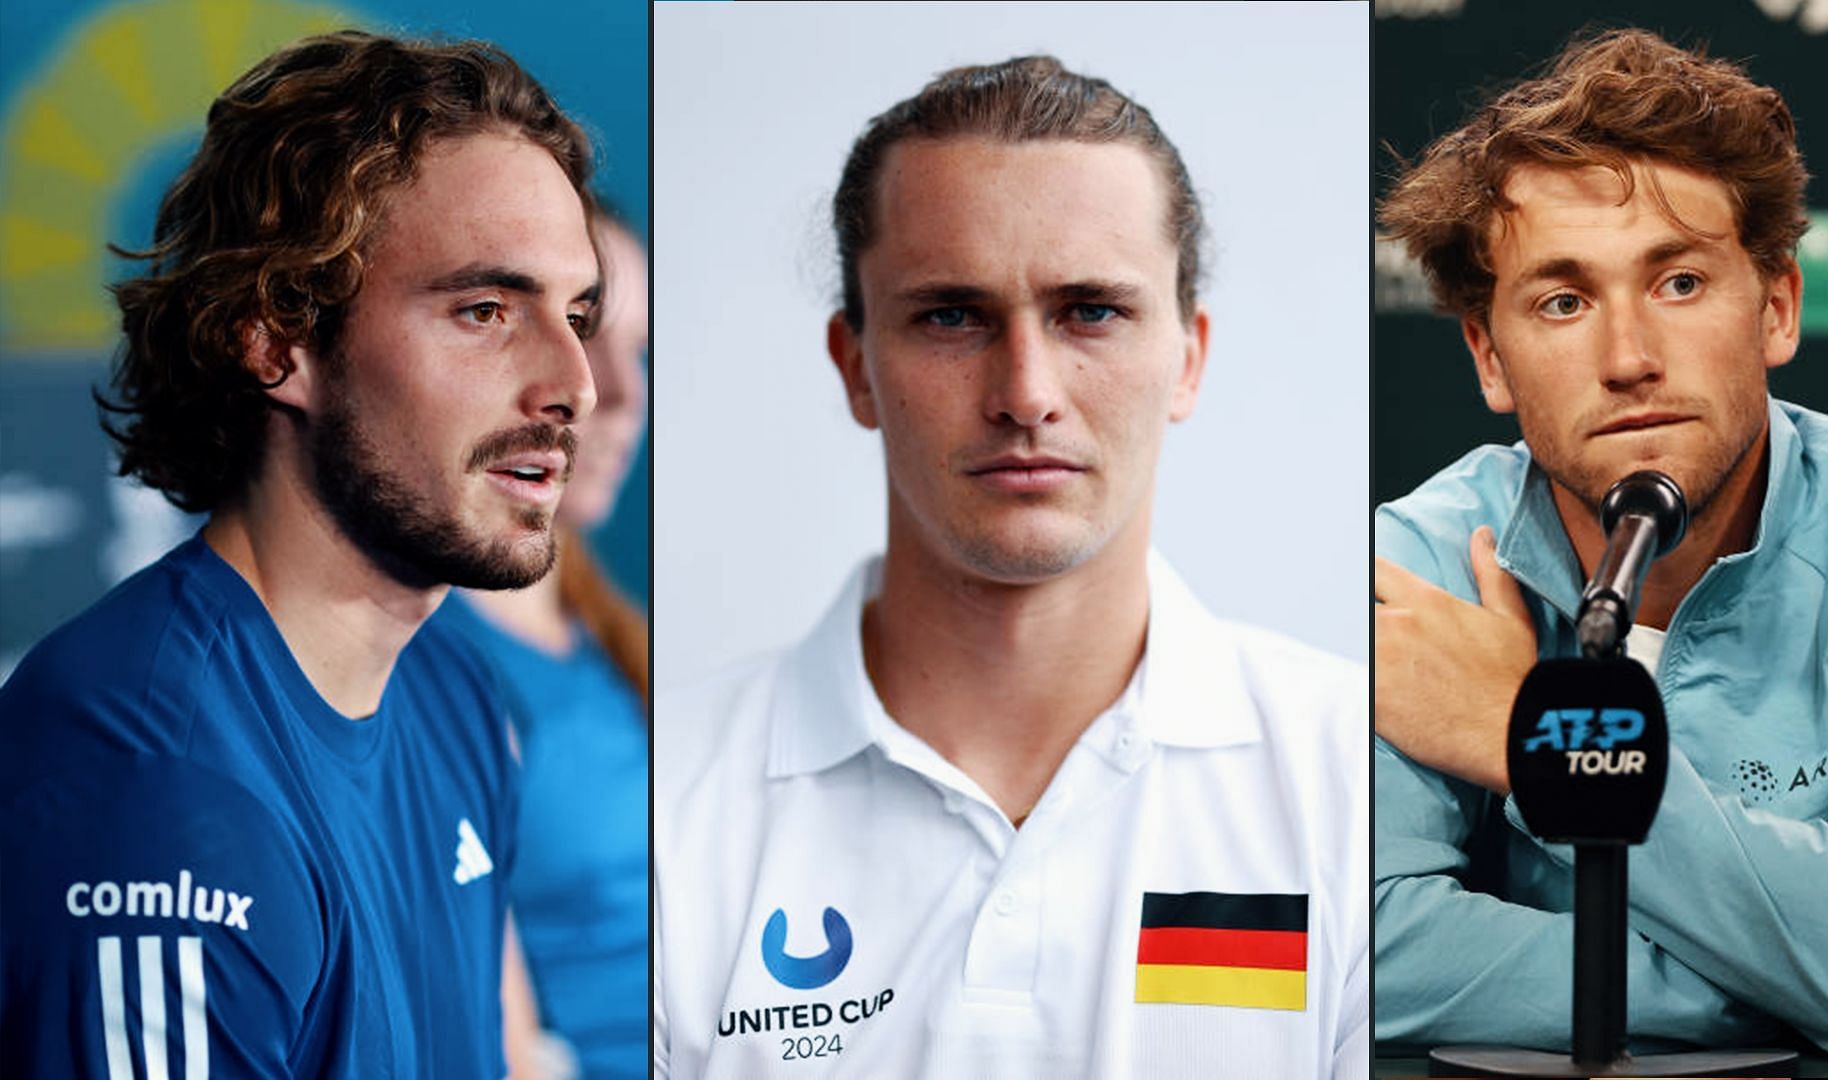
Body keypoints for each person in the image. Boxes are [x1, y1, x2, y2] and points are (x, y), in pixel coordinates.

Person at [653, 56, 1368, 1078]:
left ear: (1190, 359)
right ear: (856, 366)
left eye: (1091, 311)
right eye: (952, 316)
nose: (1026, 392)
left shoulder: (1348, 777)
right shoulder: (670, 801)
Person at [0, 31, 601, 1077]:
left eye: (577, 313)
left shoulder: (451, 684)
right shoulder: (155, 777)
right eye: (486, 310)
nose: (574, 383)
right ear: (279, 338)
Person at [1372, 28, 1828, 1061]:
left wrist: (1529, 741)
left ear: (1778, 306)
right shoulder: (1412, 570)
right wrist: (1782, 982)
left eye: (1678, 284)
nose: (1628, 358)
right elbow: (1364, 944)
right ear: (1489, 357)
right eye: (1564, 301)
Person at [437, 207, 650, 1078]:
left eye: (635, 345)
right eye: (579, 328)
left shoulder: (617, 636)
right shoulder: (425, 663)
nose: (616, 391)